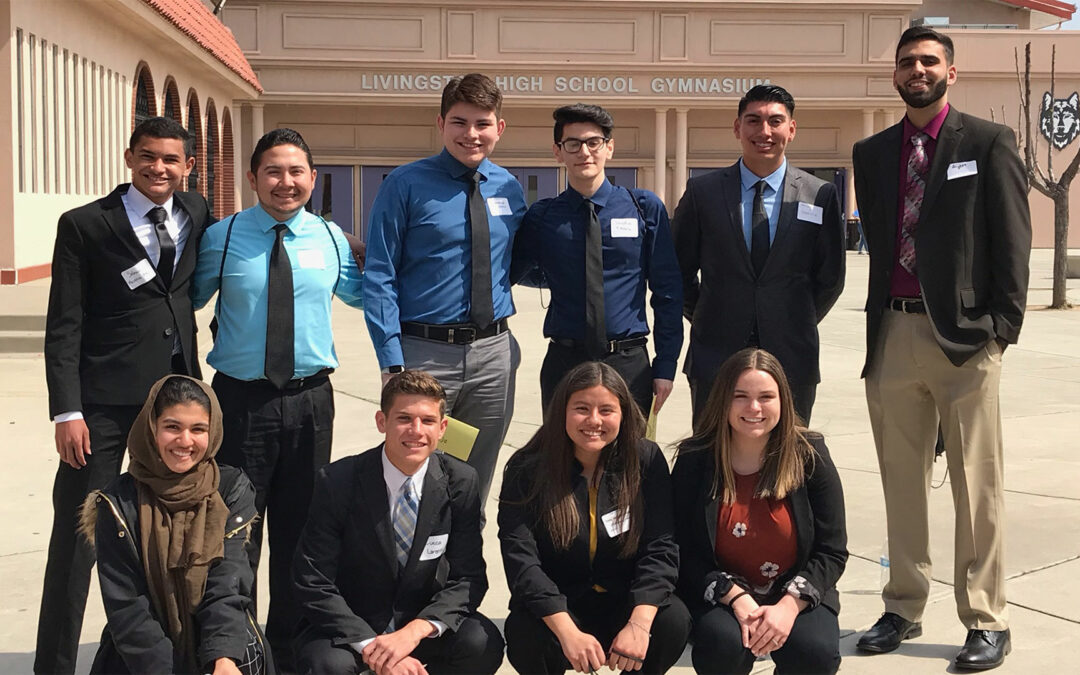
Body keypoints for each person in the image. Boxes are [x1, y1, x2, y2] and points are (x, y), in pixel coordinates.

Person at [852, 26, 1031, 670]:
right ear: (895, 74)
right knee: (902, 482)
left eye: (929, 61)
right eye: (907, 62)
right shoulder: (870, 153)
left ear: (950, 73)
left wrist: (999, 331)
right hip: (893, 334)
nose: (917, 70)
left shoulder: (986, 141)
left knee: (975, 486)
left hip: (964, 340)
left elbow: (1011, 240)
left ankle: (986, 617)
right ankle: (903, 603)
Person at [38, 116, 210, 675]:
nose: (158, 168)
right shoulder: (86, 225)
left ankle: (163, 650)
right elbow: (64, 323)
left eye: (170, 159)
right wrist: (68, 410)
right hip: (103, 408)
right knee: (77, 538)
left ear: (188, 166)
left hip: (175, 406)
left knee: (173, 532)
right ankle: (55, 665)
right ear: (130, 157)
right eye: (148, 157)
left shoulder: (198, 213)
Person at [192, 127, 364, 666]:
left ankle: (288, 651)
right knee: (235, 530)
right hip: (240, 403)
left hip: (311, 401)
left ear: (312, 179)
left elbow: (367, 295)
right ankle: (233, 649)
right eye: (272, 171)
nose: (284, 182)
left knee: (300, 531)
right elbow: (180, 301)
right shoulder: (222, 237)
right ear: (252, 178)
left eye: (296, 172)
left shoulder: (332, 239)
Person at [363, 73, 526, 507]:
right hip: (424, 353)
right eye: (459, 122)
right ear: (440, 124)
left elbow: (521, 260)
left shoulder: (509, 188)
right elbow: (379, 274)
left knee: (475, 476)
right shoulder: (405, 184)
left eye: (481, 123)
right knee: (415, 471)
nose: (470, 134)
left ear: (499, 128)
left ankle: (463, 568)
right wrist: (391, 360)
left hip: (493, 356)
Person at [292, 370, 504, 675]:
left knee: (482, 642)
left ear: (443, 427)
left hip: (418, 622)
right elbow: (312, 580)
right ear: (382, 422)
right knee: (325, 664)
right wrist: (374, 647)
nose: (416, 431)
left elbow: (468, 578)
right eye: (404, 418)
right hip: (354, 625)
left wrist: (414, 632)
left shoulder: (461, 481)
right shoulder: (338, 480)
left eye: (428, 421)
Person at [498, 362, 691, 674]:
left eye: (606, 410)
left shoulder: (646, 460)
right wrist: (567, 633)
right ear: (561, 410)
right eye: (582, 408)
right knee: (524, 630)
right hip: (561, 606)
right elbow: (521, 562)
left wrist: (639, 624)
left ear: (623, 414)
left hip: (624, 602)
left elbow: (661, 548)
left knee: (672, 620)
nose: (594, 420)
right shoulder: (527, 468)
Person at [671, 84, 845, 426]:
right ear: (737, 128)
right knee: (711, 458)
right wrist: (712, 314)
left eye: (775, 121)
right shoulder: (703, 193)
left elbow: (830, 278)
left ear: (791, 129)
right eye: (753, 120)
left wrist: (790, 318)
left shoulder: (819, 194)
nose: (764, 131)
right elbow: (677, 272)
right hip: (715, 351)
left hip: (792, 353)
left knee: (787, 463)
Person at [672, 348, 847, 675]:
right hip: (722, 592)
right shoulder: (695, 459)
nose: (754, 408)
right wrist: (734, 597)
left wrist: (788, 606)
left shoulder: (810, 455)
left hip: (793, 588)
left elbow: (832, 550)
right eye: (740, 396)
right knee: (722, 644)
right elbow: (680, 549)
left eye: (766, 396)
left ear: (783, 401)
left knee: (814, 651)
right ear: (723, 400)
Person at [82, 375, 269, 675]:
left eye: (198, 429)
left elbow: (228, 584)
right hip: (142, 658)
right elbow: (129, 609)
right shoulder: (117, 503)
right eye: (172, 427)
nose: (185, 441)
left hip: (222, 645)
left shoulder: (231, 489)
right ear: (152, 427)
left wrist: (222, 657)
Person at [513, 103, 683, 417]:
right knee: (561, 461)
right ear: (558, 152)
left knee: (632, 459)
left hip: (629, 362)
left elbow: (667, 291)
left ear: (609, 148)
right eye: (573, 144)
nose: (584, 152)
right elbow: (510, 272)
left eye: (594, 142)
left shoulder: (643, 207)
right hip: (565, 361)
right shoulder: (543, 216)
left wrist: (666, 364)